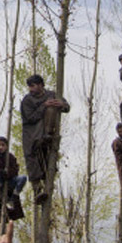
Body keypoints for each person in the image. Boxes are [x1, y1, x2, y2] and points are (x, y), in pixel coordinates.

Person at [20, 74, 70, 205]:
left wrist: (62, 104)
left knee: (48, 163)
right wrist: (43, 106)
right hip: (32, 135)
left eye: (33, 86)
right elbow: (30, 118)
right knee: (33, 161)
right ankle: (37, 190)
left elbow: (67, 107)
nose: (31, 89)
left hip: (47, 134)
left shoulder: (51, 94)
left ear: (41, 85)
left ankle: (48, 185)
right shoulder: (27, 100)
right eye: (29, 86)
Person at [0, 137, 27, 210]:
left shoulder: (10, 157)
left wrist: (7, 173)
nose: (1, 147)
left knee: (23, 178)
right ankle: (0, 189)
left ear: (6, 146)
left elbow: (15, 170)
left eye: (3, 145)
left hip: (9, 180)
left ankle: (13, 197)